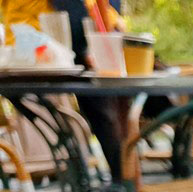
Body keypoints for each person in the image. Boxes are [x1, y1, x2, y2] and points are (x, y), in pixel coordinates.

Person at [3, 0, 126, 179]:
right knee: (96, 114)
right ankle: (84, 178)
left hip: (60, 46)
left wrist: (105, 31)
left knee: (101, 113)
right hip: (35, 48)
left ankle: (115, 179)